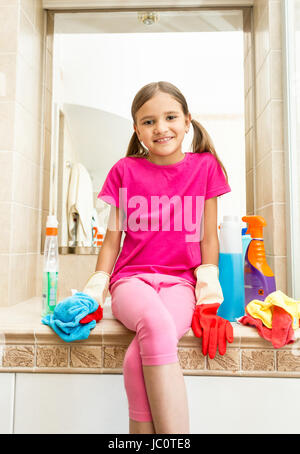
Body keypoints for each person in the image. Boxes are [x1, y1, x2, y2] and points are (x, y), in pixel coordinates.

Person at [82, 81, 234, 434]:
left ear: (187, 121)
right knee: (156, 325)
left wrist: (208, 290)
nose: (161, 128)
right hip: (131, 280)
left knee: (140, 354)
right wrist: (96, 286)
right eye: (148, 121)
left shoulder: (205, 167)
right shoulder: (124, 170)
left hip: (181, 282)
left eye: (170, 117)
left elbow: (208, 236)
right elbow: (112, 240)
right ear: (137, 129)